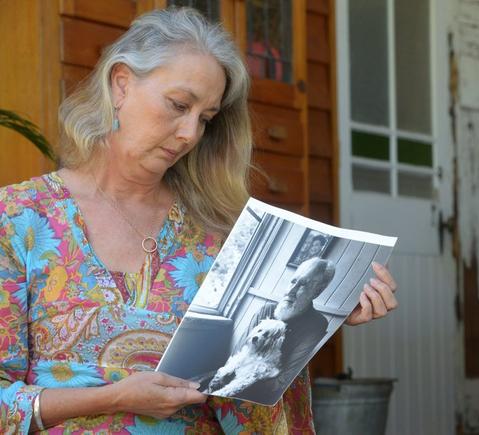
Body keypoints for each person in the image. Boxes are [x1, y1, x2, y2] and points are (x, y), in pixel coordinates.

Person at [0, 7, 398, 434]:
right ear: (121, 85)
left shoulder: (219, 234)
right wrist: (114, 397)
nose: (190, 133)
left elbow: (249, 394)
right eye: (178, 105)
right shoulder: (20, 218)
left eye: (205, 119)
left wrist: (318, 317)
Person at [213, 258, 336, 404]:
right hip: (232, 380)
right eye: (293, 281)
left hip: (265, 396)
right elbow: (241, 352)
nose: (291, 291)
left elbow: (283, 380)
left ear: (317, 291)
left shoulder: (316, 324)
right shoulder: (266, 310)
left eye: (303, 284)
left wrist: (239, 390)